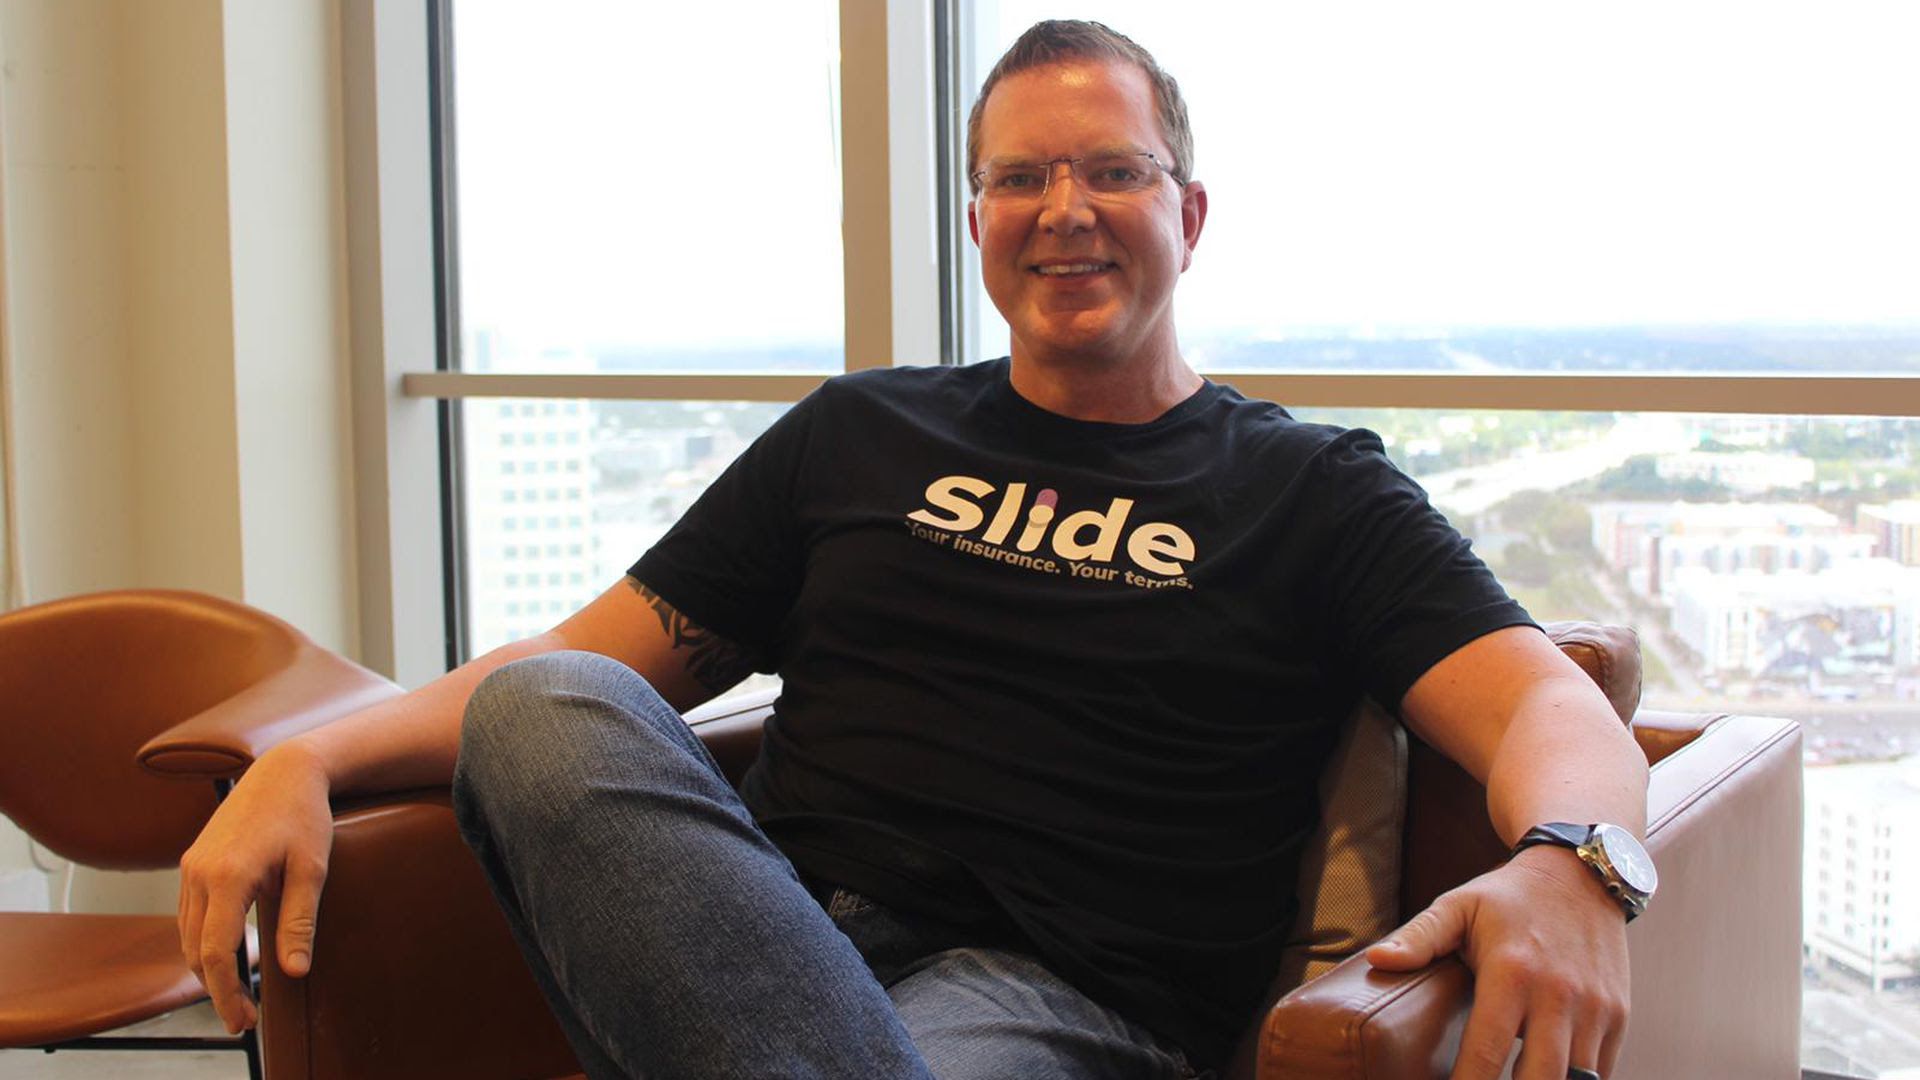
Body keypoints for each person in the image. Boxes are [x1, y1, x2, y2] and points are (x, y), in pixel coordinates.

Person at [177, 20, 1648, 1080]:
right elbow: (580, 663)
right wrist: (304, 758)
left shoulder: (1308, 488)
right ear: (979, 219)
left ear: (1189, 215)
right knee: (542, 708)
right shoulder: (861, 432)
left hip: (1062, 1002)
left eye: (1113, 172)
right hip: (750, 929)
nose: (1064, 212)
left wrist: (1577, 863)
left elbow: (1545, 699)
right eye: (1020, 180)